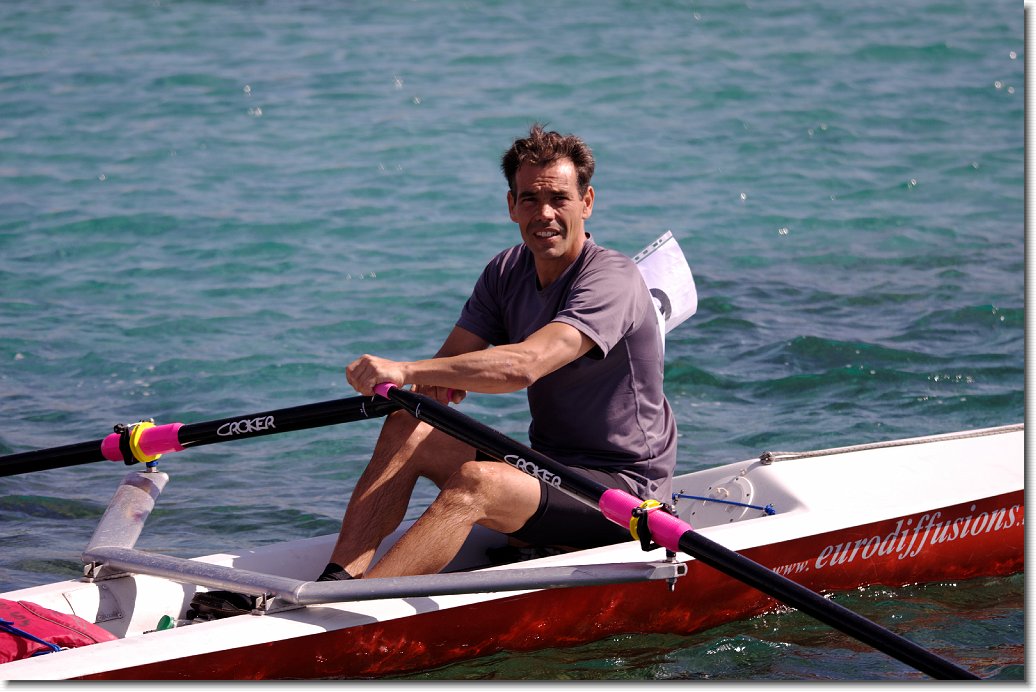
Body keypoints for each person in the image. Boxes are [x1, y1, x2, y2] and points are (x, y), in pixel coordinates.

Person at [319, 124, 677, 582]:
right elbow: (438, 380)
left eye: (559, 199)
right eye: (530, 199)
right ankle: (337, 580)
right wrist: (422, 384)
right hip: (547, 471)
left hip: (625, 497)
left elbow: (524, 365)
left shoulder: (612, 278)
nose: (544, 213)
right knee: (409, 423)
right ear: (511, 206)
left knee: (478, 483)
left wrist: (403, 369)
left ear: (587, 202)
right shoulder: (506, 271)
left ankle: (357, 607)